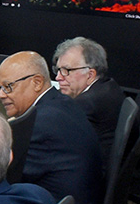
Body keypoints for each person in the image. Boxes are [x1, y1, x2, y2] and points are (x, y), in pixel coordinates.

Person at [0, 51, 104, 204]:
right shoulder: (60, 104)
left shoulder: (42, 125)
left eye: (8, 87)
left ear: (36, 83)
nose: (1, 95)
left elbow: (0, 179)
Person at [52, 37, 125, 168]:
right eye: (58, 70)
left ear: (90, 74)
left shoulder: (85, 104)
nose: (58, 78)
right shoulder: (109, 86)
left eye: (66, 71)